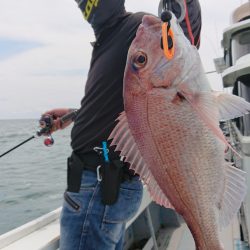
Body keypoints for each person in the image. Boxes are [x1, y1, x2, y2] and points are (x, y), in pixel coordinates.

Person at [41, 0, 202, 249]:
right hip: (100, 190)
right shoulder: (107, 39)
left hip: (99, 190)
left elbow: (183, 42)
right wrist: (73, 116)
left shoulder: (138, 28)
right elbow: (123, 104)